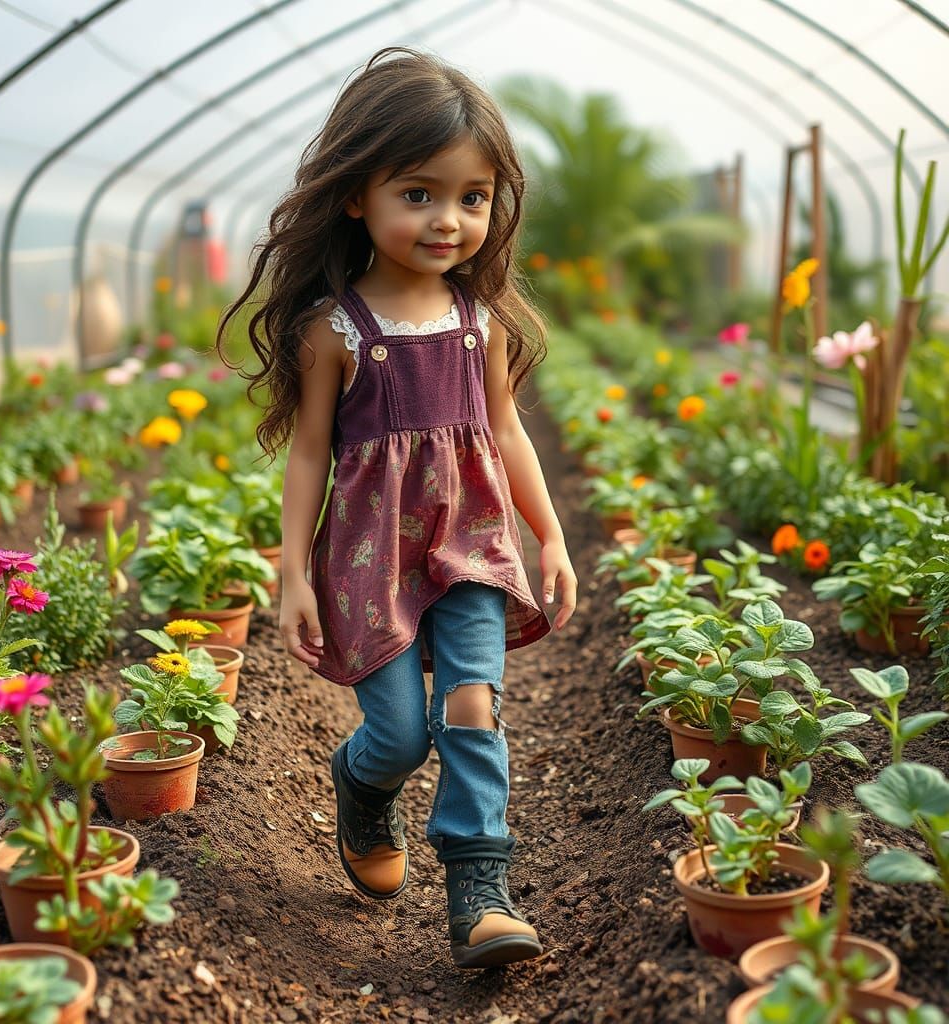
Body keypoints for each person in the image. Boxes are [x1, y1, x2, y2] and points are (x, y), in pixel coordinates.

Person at [219, 47, 577, 970]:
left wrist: (549, 534)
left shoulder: (482, 324)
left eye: (472, 197)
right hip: (369, 559)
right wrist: (293, 575)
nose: (448, 219)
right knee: (401, 736)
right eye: (418, 193)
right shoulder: (333, 332)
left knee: (471, 707)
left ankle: (479, 890)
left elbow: (506, 433)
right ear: (356, 195)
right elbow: (309, 454)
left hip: (473, 547)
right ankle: (362, 783)